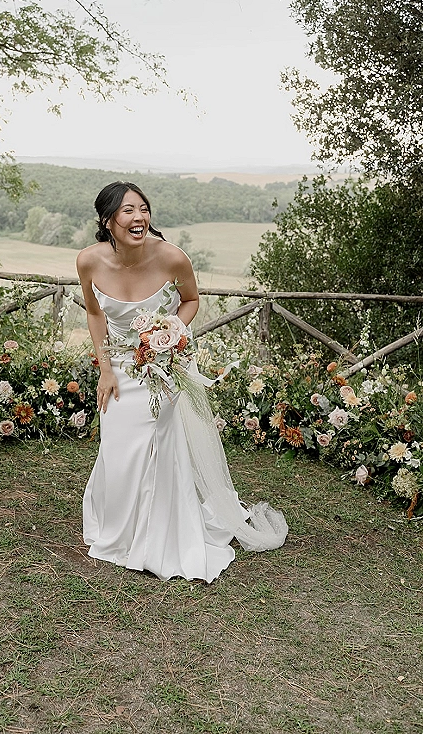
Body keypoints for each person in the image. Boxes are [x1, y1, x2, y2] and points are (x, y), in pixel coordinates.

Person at [77, 181, 288, 583]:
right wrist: (104, 368)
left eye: (143, 208)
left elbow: (191, 300)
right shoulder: (88, 261)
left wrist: (171, 328)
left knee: (158, 447)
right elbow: (94, 313)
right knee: (119, 448)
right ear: (107, 221)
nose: (139, 218)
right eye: (128, 211)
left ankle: (163, 534)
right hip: (121, 370)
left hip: (164, 366)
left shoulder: (172, 257)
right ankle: (120, 528)